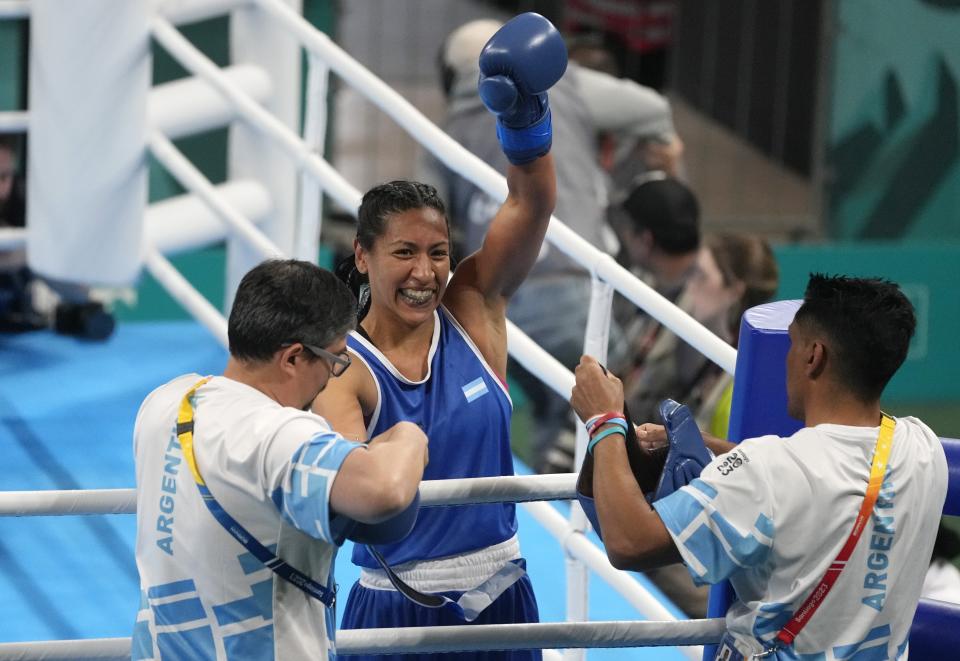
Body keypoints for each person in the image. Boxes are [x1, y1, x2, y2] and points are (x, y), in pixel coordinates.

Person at [313, 13, 563, 661]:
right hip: (392, 609)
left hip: (504, 597)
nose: (425, 273)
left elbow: (529, 205)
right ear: (362, 255)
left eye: (438, 251)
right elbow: (347, 496)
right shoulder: (346, 370)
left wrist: (525, 123)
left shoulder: (474, 306)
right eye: (405, 252)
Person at [570, 273, 948, 659]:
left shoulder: (766, 472)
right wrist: (714, 446)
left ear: (813, 356)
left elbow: (629, 543)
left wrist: (604, 419)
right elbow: (826, 472)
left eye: (791, 345)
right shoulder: (923, 448)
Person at [132, 259, 428, 660]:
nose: (332, 377)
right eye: (336, 360)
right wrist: (409, 434)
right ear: (292, 358)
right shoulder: (279, 435)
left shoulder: (165, 402)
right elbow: (384, 491)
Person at [434, 18, 682, 475]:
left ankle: (572, 507)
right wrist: (653, 163)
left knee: (559, 420)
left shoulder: (446, 128)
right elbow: (655, 113)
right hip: (574, 286)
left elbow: (427, 224)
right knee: (591, 419)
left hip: (502, 300)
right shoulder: (566, 87)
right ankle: (584, 522)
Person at [0, 134, 115, 338]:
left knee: (92, 318)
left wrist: (35, 256)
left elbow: (81, 292)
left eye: (3, 177)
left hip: (14, 321)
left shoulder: (25, 202)